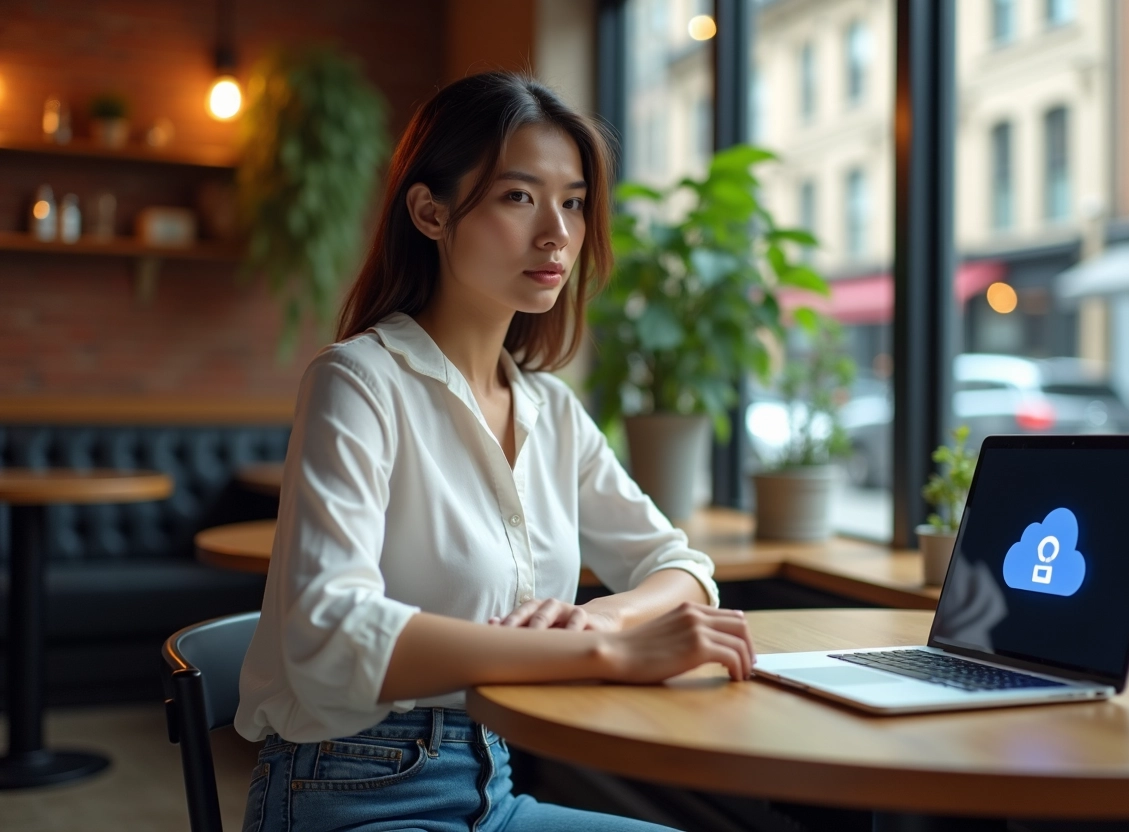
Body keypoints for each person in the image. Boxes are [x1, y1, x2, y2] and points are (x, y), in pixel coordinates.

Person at [234, 71, 756, 832]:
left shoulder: (550, 409)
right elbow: (328, 631)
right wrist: (606, 658)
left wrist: (609, 620)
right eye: (519, 197)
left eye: (573, 202)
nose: (558, 234)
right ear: (429, 211)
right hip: (349, 789)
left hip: (494, 786)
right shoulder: (357, 382)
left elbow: (683, 569)